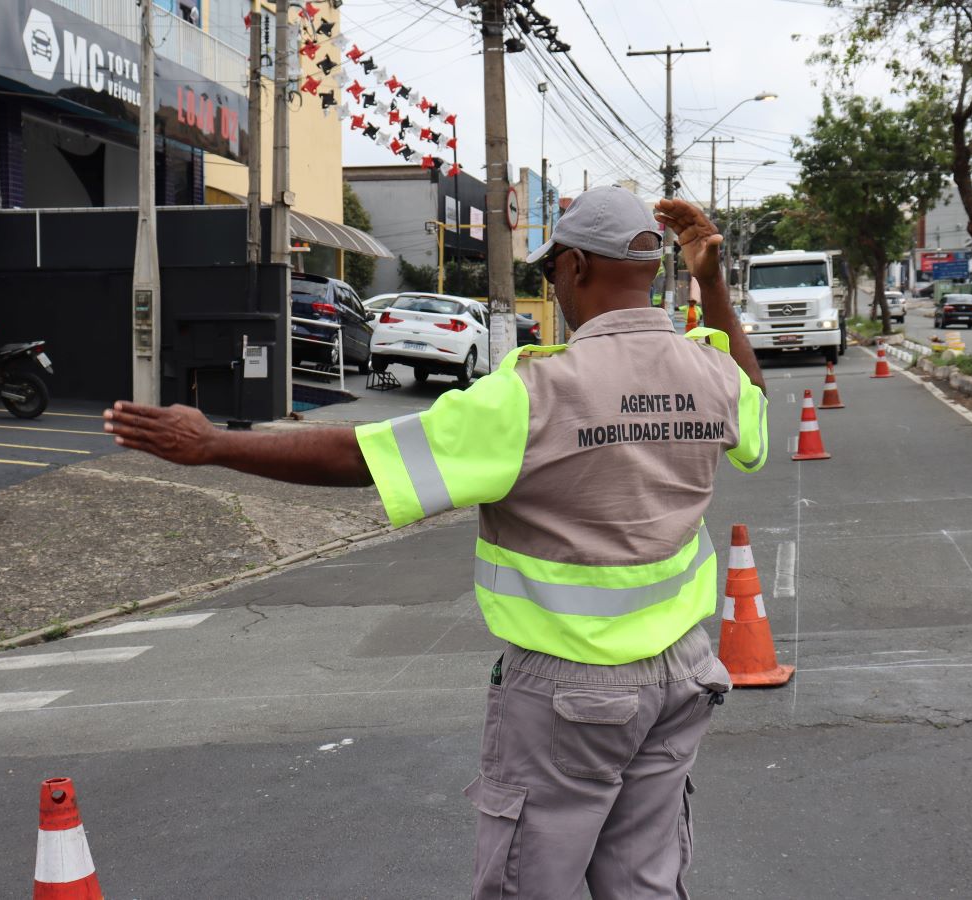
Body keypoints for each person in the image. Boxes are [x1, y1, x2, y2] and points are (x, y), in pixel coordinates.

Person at [102, 188, 768, 899]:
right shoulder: (710, 373)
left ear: (574, 266)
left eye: (550, 275)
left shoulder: (534, 395)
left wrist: (213, 446)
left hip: (573, 691)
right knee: (645, 885)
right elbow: (754, 402)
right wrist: (712, 283)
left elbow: (364, 459)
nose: (554, 289)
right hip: (682, 678)